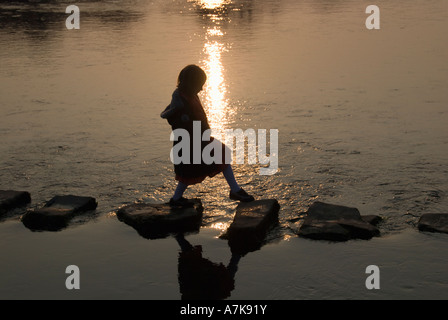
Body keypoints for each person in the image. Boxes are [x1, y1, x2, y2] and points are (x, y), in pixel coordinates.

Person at [161, 64, 254, 206]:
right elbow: (176, 119)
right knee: (189, 171)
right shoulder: (180, 100)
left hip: (199, 139)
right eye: (200, 85)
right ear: (191, 83)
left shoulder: (189, 95)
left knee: (200, 166)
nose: (202, 88)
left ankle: (177, 199)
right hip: (190, 142)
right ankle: (234, 190)